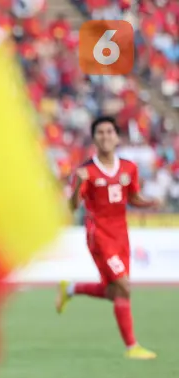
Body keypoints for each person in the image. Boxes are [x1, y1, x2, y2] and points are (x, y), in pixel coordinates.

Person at [56, 116, 160, 359]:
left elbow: (133, 198)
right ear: (94, 138)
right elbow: (72, 208)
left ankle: (71, 288)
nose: (105, 136)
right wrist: (76, 187)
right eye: (100, 133)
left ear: (117, 137)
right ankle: (132, 347)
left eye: (109, 132)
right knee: (124, 286)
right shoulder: (86, 172)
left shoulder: (129, 168)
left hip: (121, 235)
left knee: (115, 291)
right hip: (99, 236)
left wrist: (149, 203)